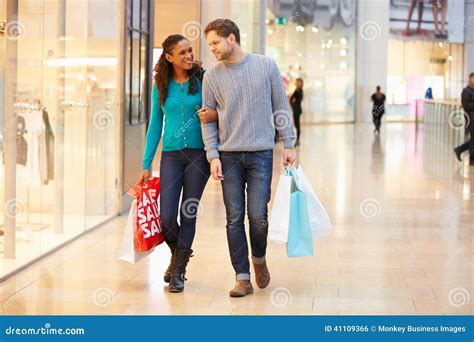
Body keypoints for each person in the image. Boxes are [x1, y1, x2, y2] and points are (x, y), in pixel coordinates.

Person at [199, 19, 296, 297]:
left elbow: (280, 106)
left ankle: (259, 259)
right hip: (228, 157)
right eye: (209, 45)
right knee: (234, 217)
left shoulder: (266, 66)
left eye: (215, 43)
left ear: (231, 39)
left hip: (261, 155)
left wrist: (288, 143)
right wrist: (212, 155)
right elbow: (208, 119)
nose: (212, 49)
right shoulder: (212, 76)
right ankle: (242, 277)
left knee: (258, 216)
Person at [138, 34, 218, 293]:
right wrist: (146, 162)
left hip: (198, 155)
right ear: (169, 57)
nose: (189, 56)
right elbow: (154, 125)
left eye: (191, 51)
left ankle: (179, 273)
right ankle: (177, 257)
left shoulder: (204, 80)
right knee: (167, 216)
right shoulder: (160, 86)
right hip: (171, 155)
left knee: (189, 212)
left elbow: (219, 112)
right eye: (182, 52)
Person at [454, 72, 474, 166]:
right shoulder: (466, 91)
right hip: (471, 119)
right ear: (470, 79)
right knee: (473, 139)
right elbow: (466, 105)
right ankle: (472, 160)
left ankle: (459, 149)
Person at [290, 78, 304, 146]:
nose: (297, 83)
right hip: (295, 109)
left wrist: (293, 103)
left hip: (297, 110)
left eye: (299, 82)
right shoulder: (297, 90)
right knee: (296, 125)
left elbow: (296, 100)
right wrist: (292, 104)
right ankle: (297, 140)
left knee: (297, 125)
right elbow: (291, 99)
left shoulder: (299, 90)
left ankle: (298, 140)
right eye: (297, 82)